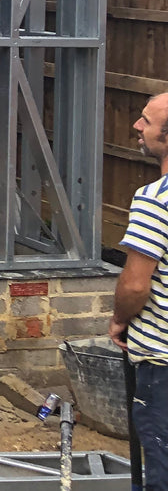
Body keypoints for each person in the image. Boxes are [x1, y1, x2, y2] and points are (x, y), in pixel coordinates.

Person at [110, 91, 168, 489]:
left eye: (146, 121)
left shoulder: (155, 200)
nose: (136, 126)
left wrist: (118, 319)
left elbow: (134, 285)